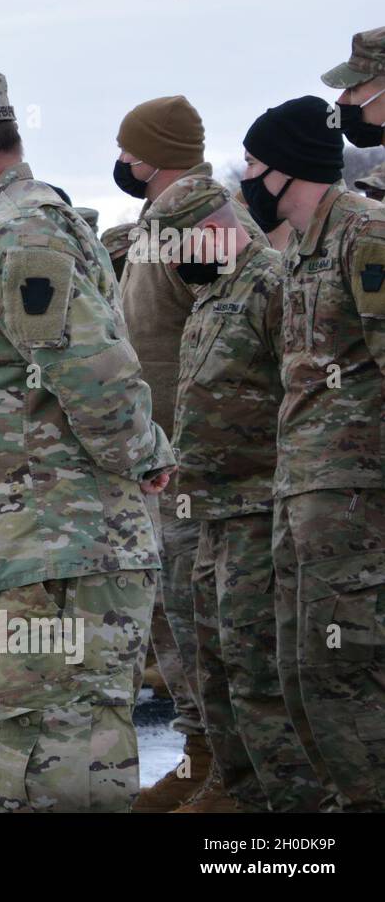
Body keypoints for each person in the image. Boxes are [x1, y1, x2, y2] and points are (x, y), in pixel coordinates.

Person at [0, 71, 173, 812]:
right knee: (6, 782)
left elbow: (101, 383)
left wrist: (146, 460)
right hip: (2, 565)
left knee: (53, 778)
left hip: (49, 569)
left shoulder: (22, 232)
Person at [113, 94, 267, 812]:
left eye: (130, 150)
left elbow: (237, 334)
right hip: (163, 457)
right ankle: (201, 755)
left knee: (206, 625)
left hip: (201, 462)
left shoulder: (200, 221)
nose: (121, 163)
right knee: (178, 621)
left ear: (152, 155)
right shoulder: (160, 221)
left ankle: (233, 773)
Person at [159, 178, 321, 813]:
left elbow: (306, 398)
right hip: (213, 519)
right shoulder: (212, 294)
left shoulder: (274, 283)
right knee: (218, 676)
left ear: (214, 226)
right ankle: (242, 805)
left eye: (177, 242)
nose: (171, 259)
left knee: (262, 682)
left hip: (260, 514)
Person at [245, 94, 385, 810]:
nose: (244, 176)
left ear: (285, 168)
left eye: (252, 162)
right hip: (302, 493)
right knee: (301, 676)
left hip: (356, 501)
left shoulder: (365, 235)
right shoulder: (298, 251)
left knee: (349, 679)